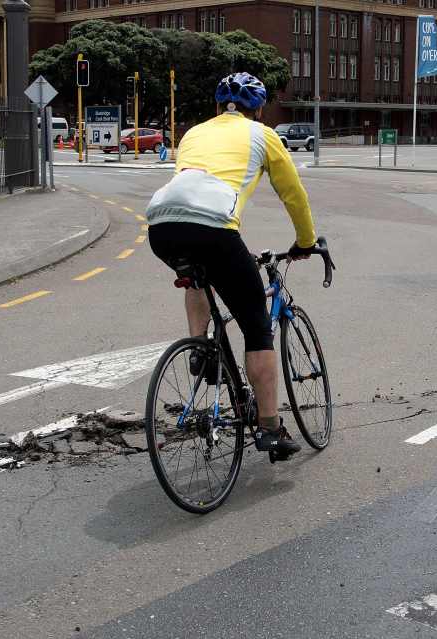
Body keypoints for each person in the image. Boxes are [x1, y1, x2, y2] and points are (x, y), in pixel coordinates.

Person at [145, 72, 318, 461]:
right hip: (215, 230)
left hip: (162, 227)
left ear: (217, 107)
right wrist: (305, 241)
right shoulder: (264, 135)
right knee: (257, 328)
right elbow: (293, 194)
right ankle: (271, 429)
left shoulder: (194, 133)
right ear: (258, 110)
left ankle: (200, 345)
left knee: (197, 276)